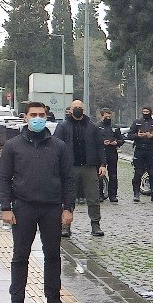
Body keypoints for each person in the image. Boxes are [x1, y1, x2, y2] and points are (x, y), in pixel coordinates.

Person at [0, 102, 75, 303]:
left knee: (53, 255)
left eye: (42, 115)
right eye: (34, 115)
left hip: (52, 208)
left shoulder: (58, 146)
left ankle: (53, 300)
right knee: (20, 256)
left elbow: (68, 179)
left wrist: (68, 208)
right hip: (23, 207)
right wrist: (5, 207)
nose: (38, 118)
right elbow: (4, 179)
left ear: (47, 116)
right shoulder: (12, 146)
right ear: (25, 117)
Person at [53, 100, 106, 238]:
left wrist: (102, 165)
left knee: (93, 198)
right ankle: (65, 226)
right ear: (70, 110)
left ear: (84, 109)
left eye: (80, 108)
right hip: (70, 168)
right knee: (68, 198)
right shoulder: (62, 127)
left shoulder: (92, 127)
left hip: (89, 167)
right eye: (75, 107)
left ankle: (95, 225)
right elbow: (55, 147)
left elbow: (100, 147)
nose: (77, 109)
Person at [129, 106, 153, 202]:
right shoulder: (137, 122)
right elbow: (129, 135)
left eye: (147, 111)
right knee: (138, 173)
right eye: (144, 111)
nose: (145, 113)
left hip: (151, 150)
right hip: (139, 150)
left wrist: (152, 136)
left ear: (150, 112)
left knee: (152, 173)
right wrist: (137, 135)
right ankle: (136, 193)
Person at [97, 108, 124, 202]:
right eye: (106, 116)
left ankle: (113, 195)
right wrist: (102, 142)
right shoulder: (97, 127)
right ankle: (100, 194)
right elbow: (93, 140)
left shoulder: (115, 127)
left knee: (113, 174)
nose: (108, 117)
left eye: (109, 116)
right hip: (101, 153)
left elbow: (121, 140)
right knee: (100, 174)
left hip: (112, 152)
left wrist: (116, 142)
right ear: (101, 116)